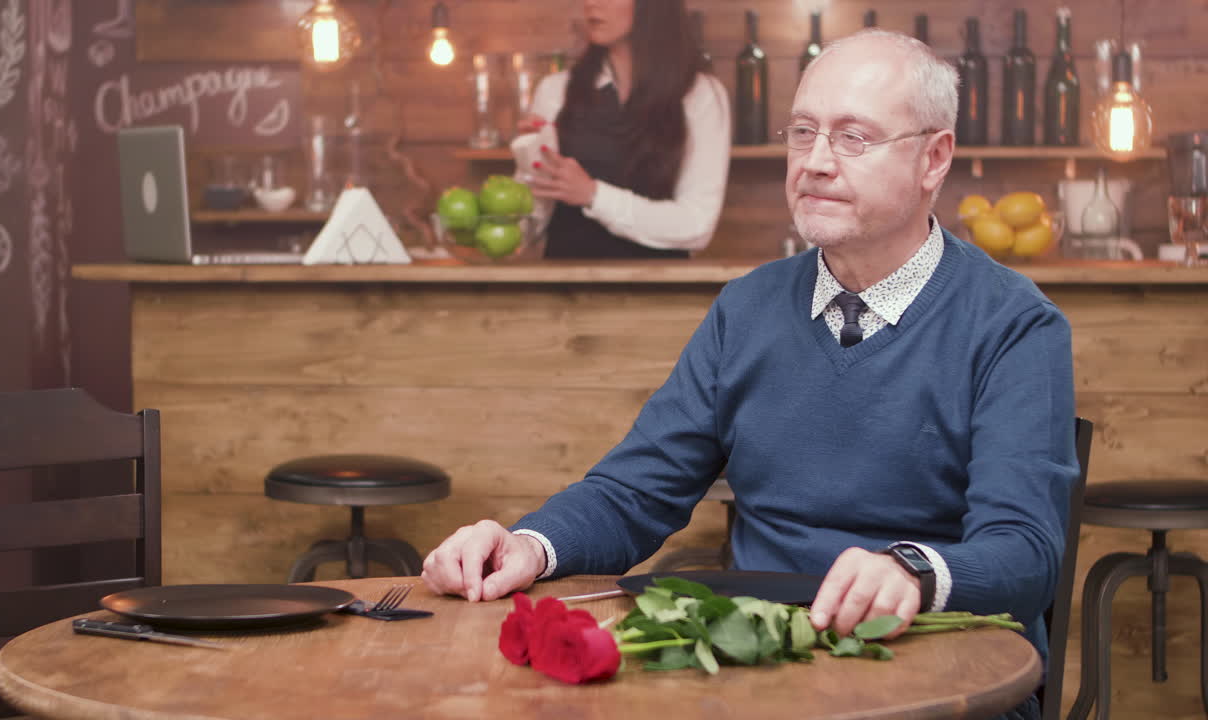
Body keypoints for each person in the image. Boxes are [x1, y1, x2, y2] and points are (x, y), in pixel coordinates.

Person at [425, 29, 1076, 720]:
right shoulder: (747, 308)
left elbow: (1024, 556)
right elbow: (634, 491)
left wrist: (911, 571)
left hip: (945, 683)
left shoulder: (1015, 325)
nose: (816, 162)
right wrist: (528, 544)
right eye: (804, 132)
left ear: (933, 158)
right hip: (762, 676)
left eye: (853, 138)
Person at [515, 0, 730, 259]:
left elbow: (697, 225)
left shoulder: (701, 94)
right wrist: (530, 158)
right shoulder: (555, 91)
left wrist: (593, 194)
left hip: (663, 293)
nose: (591, 3)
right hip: (564, 290)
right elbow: (529, 224)